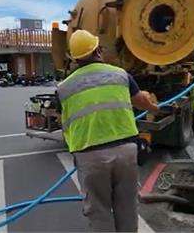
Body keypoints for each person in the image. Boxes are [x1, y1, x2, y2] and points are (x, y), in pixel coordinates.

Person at [57, 29, 158, 232]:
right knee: (127, 207)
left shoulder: (63, 88)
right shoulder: (120, 75)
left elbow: (64, 120)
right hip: (125, 151)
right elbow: (141, 102)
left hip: (89, 155)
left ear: (74, 58)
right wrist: (154, 107)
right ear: (98, 50)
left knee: (99, 210)